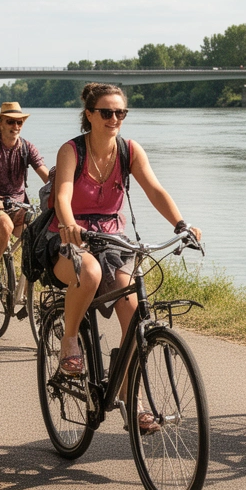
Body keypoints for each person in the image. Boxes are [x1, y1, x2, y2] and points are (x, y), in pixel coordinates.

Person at [47, 82, 201, 433]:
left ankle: (135, 401)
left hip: (113, 241)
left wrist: (182, 223)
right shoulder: (72, 150)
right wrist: (69, 226)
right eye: (106, 112)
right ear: (89, 115)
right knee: (87, 271)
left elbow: (155, 189)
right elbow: (63, 194)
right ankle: (70, 341)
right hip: (69, 237)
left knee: (134, 317)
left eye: (120, 112)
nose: (114, 118)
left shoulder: (130, 150)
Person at [0, 101, 49, 298]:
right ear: (0, 123)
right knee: (5, 225)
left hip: (18, 203)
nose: (15, 127)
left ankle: (27, 290)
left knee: (37, 231)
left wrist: (62, 188)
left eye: (19, 123)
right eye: (10, 122)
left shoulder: (27, 148)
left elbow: (46, 175)